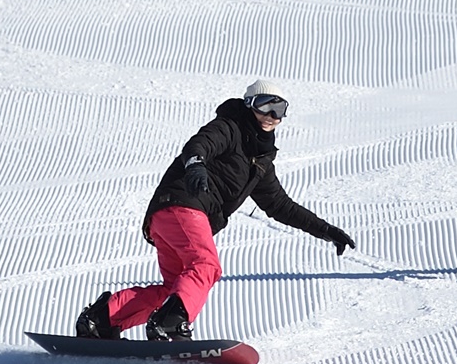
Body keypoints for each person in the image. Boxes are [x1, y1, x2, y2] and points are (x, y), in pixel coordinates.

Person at [75, 84, 356, 343]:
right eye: (264, 106)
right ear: (249, 105)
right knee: (206, 267)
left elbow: (281, 206)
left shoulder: (259, 163)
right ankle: (170, 325)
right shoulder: (229, 127)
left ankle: (102, 319)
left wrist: (326, 230)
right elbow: (198, 145)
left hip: (169, 217)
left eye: (280, 109)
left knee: (174, 289)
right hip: (185, 204)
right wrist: (196, 165)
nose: (272, 115)